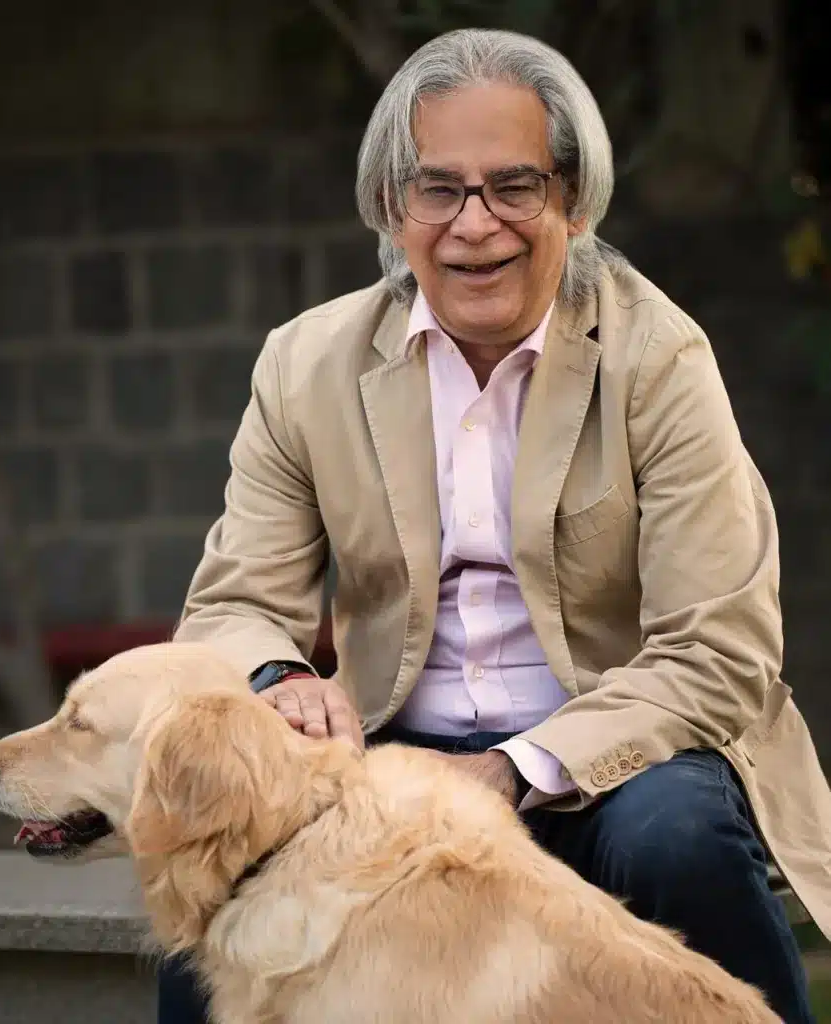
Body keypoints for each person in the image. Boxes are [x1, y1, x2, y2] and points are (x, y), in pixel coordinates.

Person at [163, 27, 831, 1024]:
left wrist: (510, 770)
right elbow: (232, 604)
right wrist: (280, 682)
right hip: (391, 760)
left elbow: (719, 648)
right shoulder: (304, 365)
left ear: (573, 200)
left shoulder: (657, 359)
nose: (475, 225)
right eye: (438, 189)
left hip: (620, 752)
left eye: (514, 186)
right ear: (392, 207)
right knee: (220, 897)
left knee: (677, 841)